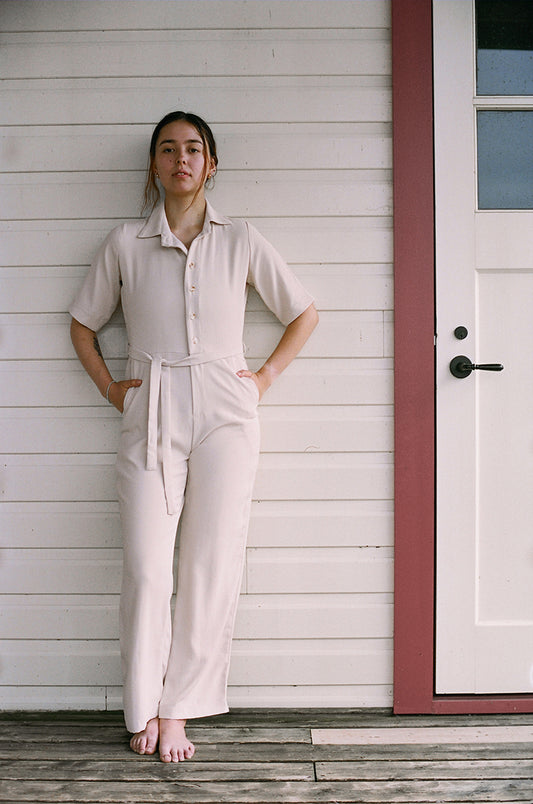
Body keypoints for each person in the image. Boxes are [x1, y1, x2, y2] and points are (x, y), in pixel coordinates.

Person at [69, 111, 318, 763]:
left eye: (194, 149)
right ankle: (143, 705)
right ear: (153, 166)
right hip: (149, 401)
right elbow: (82, 325)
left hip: (224, 408)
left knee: (208, 564)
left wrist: (260, 379)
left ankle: (179, 710)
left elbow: (302, 312)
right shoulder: (124, 243)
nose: (181, 159)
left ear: (212, 165)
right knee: (149, 568)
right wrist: (108, 387)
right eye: (168, 149)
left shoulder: (241, 240)